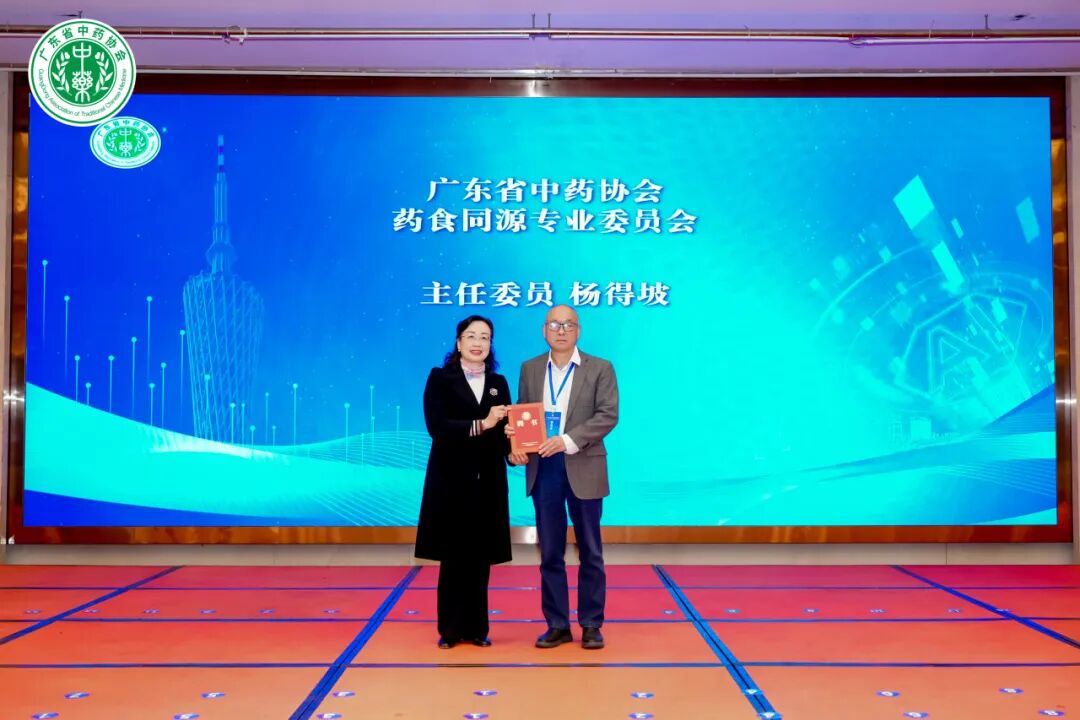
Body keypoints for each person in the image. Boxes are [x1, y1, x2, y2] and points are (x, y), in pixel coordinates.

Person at [508, 305, 618, 650]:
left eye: (568, 324)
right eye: (554, 324)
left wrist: (567, 440)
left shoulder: (600, 367)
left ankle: (591, 623)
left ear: (578, 331)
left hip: (583, 463)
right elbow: (522, 414)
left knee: (591, 550)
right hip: (544, 468)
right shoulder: (530, 368)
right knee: (550, 552)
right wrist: (515, 445)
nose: (561, 330)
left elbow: (608, 415)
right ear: (544, 330)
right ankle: (557, 624)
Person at [415, 315, 512, 648]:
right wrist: (483, 423)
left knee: (480, 558)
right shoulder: (440, 378)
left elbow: (503, 433)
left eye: (485, 337)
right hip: (451, 482)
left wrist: (515, 448)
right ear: (458, 342)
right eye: (471, 336)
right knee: (454, 557)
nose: (478, 343)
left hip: (488, 482)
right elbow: (438, 427)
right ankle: (450, 630)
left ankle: (478, 629)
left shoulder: (498, 382)